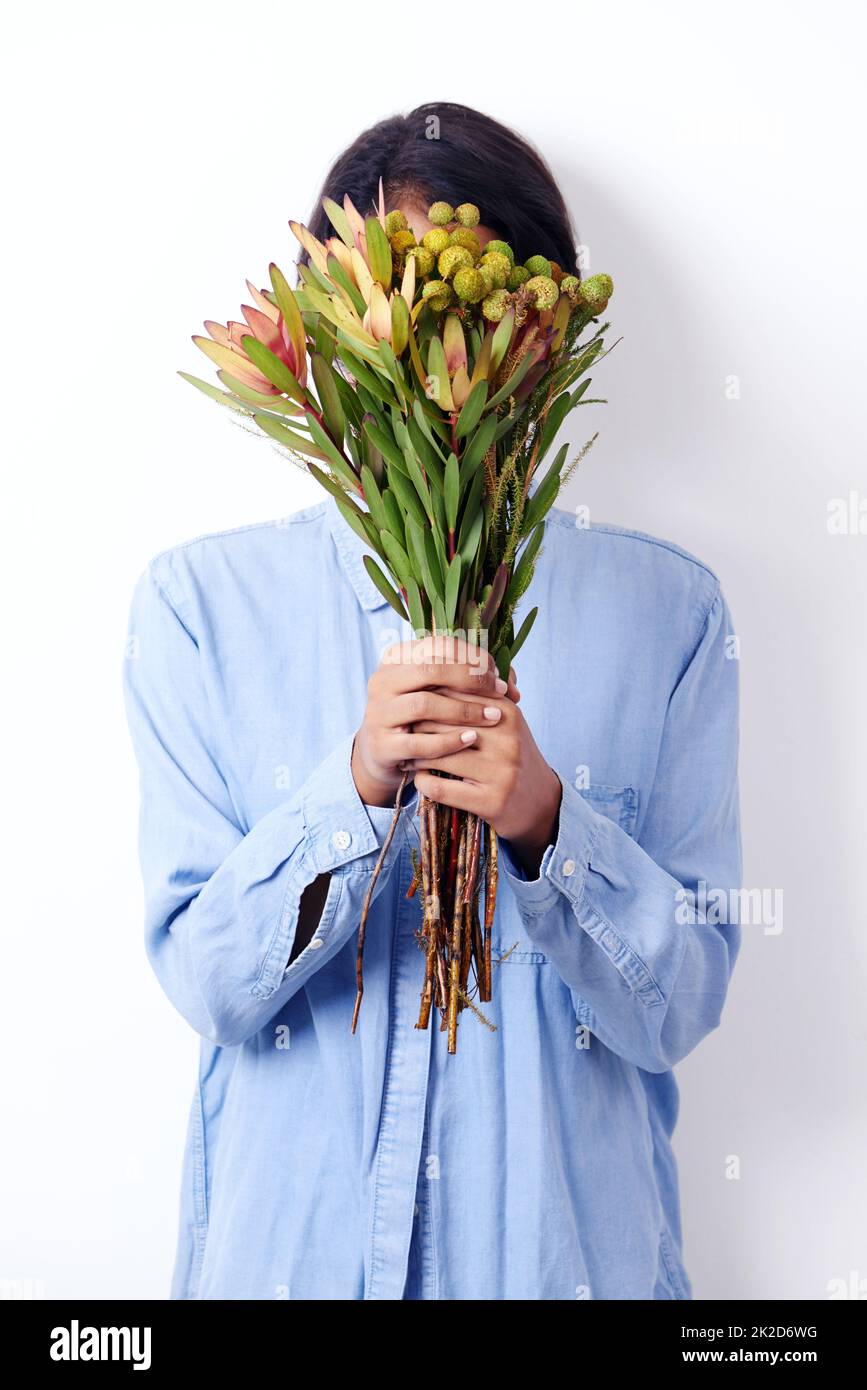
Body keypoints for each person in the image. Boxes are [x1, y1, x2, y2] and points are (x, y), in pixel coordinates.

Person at [123, 103, 741, 1301]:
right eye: (387, 311)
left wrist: (549, 824)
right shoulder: (201, 604)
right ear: (322, 329)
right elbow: (207, 984)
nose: (423, 359)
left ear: (544, 325)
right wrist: (353, 787)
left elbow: (686, 1003)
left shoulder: (673, 613)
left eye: (462, 311)